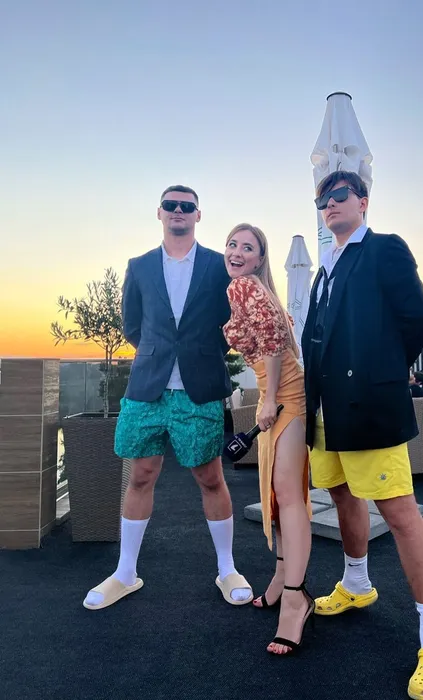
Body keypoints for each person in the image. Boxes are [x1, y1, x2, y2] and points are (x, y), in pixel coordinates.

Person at [302, 171, 423, 699]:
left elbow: (417, 318)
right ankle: (357, 583)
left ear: (363, 201)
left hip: (368, 404)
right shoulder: (326, 267)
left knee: (400, 513)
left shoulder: (385, 248)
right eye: (322, 200)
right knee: (342, 496)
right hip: (326, 412)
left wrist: (381, 370)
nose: (330, 204)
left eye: (339, 195)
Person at [83, 185, 253, 610]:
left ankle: (227, 569)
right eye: (171, 205)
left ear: (198, 215)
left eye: (187, 206)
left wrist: (200, 355)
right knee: (141, 475)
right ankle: (125, 574)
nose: (179, 210)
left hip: (199, 389)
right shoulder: (139, 266)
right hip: (148, 387)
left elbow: (230, 324)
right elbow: (132, 325)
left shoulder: (218, 265)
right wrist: (159, 354)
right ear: (159, 213)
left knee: (210, 477)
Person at [223, 223, 314, 655]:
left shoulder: (245, 287)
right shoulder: (255, 289)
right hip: (277, 394)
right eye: (232, 245)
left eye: (248, 247)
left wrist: (271, 399)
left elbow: (275, 345)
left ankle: (296, 600)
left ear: (260, 258)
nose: (237, 252)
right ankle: (281, 576)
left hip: (285, 396)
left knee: (288, 495)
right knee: (279, 494)